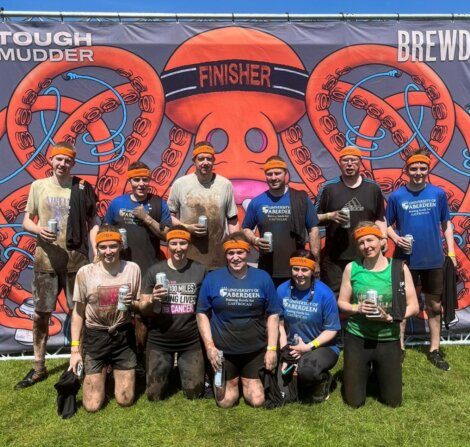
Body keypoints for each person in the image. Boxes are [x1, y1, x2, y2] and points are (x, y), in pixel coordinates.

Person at [15, 141, 98, 390]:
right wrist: (38, 229)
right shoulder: (38, 186)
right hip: (46, 260)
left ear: (73, 163)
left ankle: (77, 361)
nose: (62, 164)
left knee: (79, 312)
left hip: (77, 261)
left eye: (67, 161)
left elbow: (93, 220)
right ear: (51, 161)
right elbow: (26, 221)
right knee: (41, 313)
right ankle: (39, 366)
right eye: (58, 160)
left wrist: (93, 252)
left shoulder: (82, 187)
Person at [386, 149, 457, 370]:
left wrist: (451, 253)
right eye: (414, 168)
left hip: (433, 258)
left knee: (435, 305)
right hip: (405, 260)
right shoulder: (396, 196)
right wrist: (397, 239)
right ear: (406, 170)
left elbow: (446, 225)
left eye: (422, 168)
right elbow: (386, 225)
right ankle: (398, 349)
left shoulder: (438, 194)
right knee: (402, 305)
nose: (418, 172)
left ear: (428, 169)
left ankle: (434, 349)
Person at [338, 222, 419, 408]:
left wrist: (391, 318)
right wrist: (358, 308)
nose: (366, 246)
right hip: (358, 337)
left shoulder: (399, 268)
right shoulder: (352, 268)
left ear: (381, 240)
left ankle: (377, 372)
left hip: (388, 337)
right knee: (354, 402)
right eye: (360, 243)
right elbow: (341, 302)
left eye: (370, 240)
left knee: (393, 402)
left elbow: (414, 306)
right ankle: (363, 371)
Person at [196, 232, 280, 408]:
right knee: (225, 401)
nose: (235, 258)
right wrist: (210, 347)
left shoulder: (262, 277)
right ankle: (233, 380)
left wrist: (272, 348)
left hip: (254, 349)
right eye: (230, 253)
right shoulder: (212, 278)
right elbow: (201, 313)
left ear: (248, 253)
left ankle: (246, 379)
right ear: (225, 255)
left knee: (257, 400)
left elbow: (273, 314)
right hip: (223, 350)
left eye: (240, 252)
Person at [103, 161, 172, 376]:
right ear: (130, 180)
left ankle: (142, 360)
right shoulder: (117, 203)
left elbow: (167, 235)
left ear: (149, 180)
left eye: (144, 179)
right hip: (120, 268)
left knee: (144, 316)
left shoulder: (159, 204)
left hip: (148, 268)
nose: (141, 184)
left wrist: (147, 219)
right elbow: (106, 230)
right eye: (136, 179)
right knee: (119, 312)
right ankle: (117, 359)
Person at [69, 225, 141, 412]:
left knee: (125, 399)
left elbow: (141, 305)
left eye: (113, 246)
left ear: (120, 246)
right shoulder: (85, 273)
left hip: (123, 336)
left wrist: (134, 302)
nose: (108, 251)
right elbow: (77, 314)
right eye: (103, 247)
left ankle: (114, 371)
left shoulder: (132, 269)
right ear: (97, 248)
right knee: (92, 405)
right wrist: (75, 350)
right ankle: (100, 372)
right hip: (95, 337)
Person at [138, 226, 207, 400]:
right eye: (173, 243)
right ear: (167, 245)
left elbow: (205, 307)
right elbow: (143, 309)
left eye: (183, 243)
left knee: (194, 393)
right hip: (160, 339)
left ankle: (183, 370)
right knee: (154, 396)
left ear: (188, 244)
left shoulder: (200, 270)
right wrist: (153, 299)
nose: (178, 248)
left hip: (190, 340)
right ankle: (169, 369)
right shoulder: (154, 271)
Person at [315, 146, 387, 295]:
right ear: (340, 163)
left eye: (353, 160)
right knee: (334, 301)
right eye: (345, 160)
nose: (349, 164)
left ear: (360, 162)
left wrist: (384, 238)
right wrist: (330, 216)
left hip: (366, 256)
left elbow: (380, 218)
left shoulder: (372, 188)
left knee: (365, 297)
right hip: (334, 259)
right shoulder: (328, 188)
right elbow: (312, 219)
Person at [243, 156, 320, 287]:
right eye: (269, 174)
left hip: (298, 268)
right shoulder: (257, 202)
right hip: (267, 269)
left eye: (277, 173)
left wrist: (316, 261)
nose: (273, 177)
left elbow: (313, 230)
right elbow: (245, 228)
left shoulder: (300, 199)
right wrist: (255, 240)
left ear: (286, 174)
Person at [277, 250, 341, 403]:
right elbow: (278, 324)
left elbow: (332, 329)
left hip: (322, 347)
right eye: (295, 269)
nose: (299, 274)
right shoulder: (282, 290)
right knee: (283, 392)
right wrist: (285, 349)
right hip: (291, 346)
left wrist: (308, 347)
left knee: (307, 371)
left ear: (312, 270)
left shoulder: (325, 294)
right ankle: (299, 379)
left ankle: (324, 379)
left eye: (304, 270)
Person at [168, 141, 239, 270]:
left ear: (213, 160)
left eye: (209, 158)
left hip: (218, 256)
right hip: (187, 255)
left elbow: (233, 221)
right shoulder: (180, 184)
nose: (205, 162)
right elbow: (169, 216)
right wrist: (187, 227)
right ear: (194, 160)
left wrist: (234, 246)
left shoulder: (225, 185)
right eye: (201, 159)